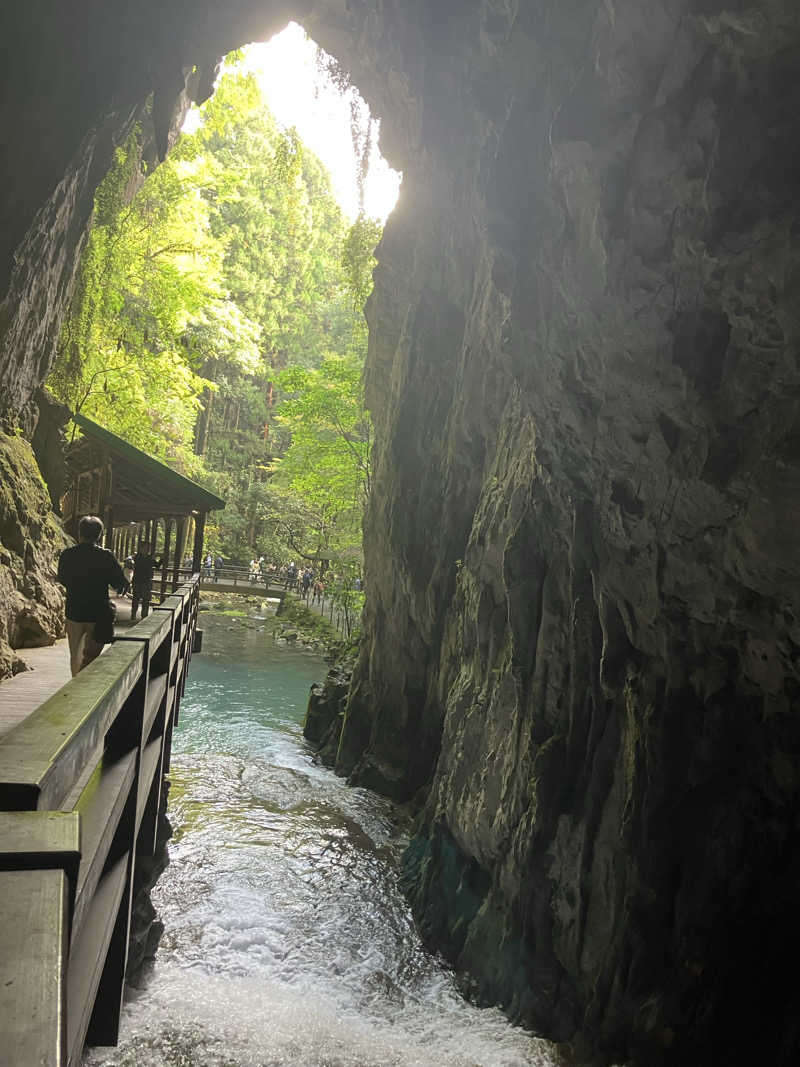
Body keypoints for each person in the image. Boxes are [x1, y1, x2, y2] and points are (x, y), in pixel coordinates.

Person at [57, 515, 129, 677]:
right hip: (97, 613)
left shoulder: (67, 555)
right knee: (90, 659)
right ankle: (82, 689)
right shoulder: (105, 556)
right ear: (99, 535)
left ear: (80, 533)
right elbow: (119, 583)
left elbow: (62, 579)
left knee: (75, 656)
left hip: (74, 611)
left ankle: (75, 684)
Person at [131, 541, 162, 620]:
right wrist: (153, 558)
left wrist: (162, 559)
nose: (147, 550)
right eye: (145, 548)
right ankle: (133, 614)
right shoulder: (137, 557)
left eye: (148, 548)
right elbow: (141, 564)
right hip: (137, 581)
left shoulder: (149, 558)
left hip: (146, 581)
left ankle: (144, 616)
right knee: (136, 599)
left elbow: (157, 565)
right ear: (141, 549)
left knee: (146, 600)